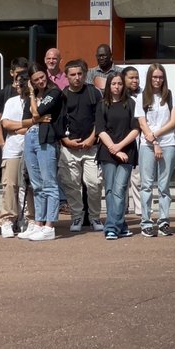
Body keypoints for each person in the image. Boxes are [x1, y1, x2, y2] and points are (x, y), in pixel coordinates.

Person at [59, 59, 105, 233]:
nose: (77, 77)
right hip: (69, 148)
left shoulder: (94, 93)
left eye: (80, 74)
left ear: (85, 74)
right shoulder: (62, 95)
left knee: (94, 183)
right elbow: (58, 122)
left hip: (91, 147)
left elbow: (99, 119)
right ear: (67, 76)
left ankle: (94, 217)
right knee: (71, 185)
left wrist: (92, 138)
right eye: (73, 74)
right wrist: (65, 140)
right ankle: (77, 216)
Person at [20, 63, 64, 241]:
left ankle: (50, 226)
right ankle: (38, 223)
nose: (40, 81)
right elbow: (24, 121)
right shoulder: (32, 95)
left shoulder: (54, 92)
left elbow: (37, 112)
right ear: (31, 81)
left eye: (41, 77)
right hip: (30, 137)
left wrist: (34, 109)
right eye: (35, 79)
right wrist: (35, 118)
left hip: (46, 138)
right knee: (36, 184)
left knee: (49, 183)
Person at [95, 71, 139, 240]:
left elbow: (136, 129)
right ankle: (121, 225)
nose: (117, 87)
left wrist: (120, 147)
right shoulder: (102, 104)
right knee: (111, 190)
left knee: (120, 189)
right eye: (113, 84)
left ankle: (111, 227)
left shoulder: (131, 103)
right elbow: (100, 129)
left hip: (127, 151)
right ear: (109, 85)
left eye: (119, 83)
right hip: (107, 152)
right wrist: (113, 148)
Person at [137, 63, 175, 237]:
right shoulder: (142, 97)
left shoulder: (170, 96)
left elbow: (173, 121)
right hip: (147, 145)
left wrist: (158, 135)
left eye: (160, 77)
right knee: (146, 185)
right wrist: (154, 141)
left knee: (164, 185)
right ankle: (146, 221)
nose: (157, 80)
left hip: (168, 143)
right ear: (149, 78)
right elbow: (142, 122)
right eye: (154, 77)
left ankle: (164, 221)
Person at [0, 67, 33, 238]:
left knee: (30, 186)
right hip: (12, 150)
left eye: (21, 84)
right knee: (10, 185)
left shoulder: (35, 100)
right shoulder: (11, 102)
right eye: (18, 84)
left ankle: (29, 218)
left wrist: (20, 126)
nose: (18, 87)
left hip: (31, 148)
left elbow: (37, 123)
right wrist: (26, 125)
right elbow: (6, 125)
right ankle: (8, 220)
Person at [122, 66, 143, 217]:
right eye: (131, 78)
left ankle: (140, 210)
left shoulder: (143, 95)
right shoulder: (118, 96)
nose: (135, 80)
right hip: (121, 140)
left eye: (136, 77)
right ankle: (121, 209)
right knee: (122, 178)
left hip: (140, 139)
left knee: (138, 177)